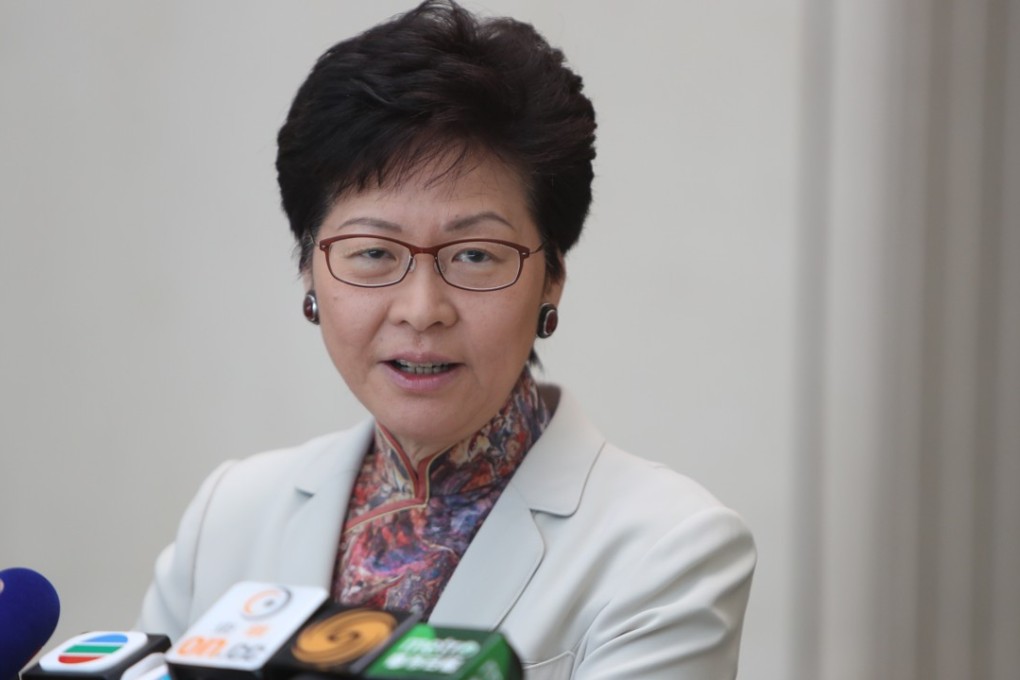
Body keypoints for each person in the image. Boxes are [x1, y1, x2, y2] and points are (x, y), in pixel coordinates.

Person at [137, 1, 756, 677]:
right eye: (374, 252)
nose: (422, 309)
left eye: (475, 255)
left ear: (551, 279)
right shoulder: (230, 516)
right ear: (309, 269)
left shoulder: (667, 549)